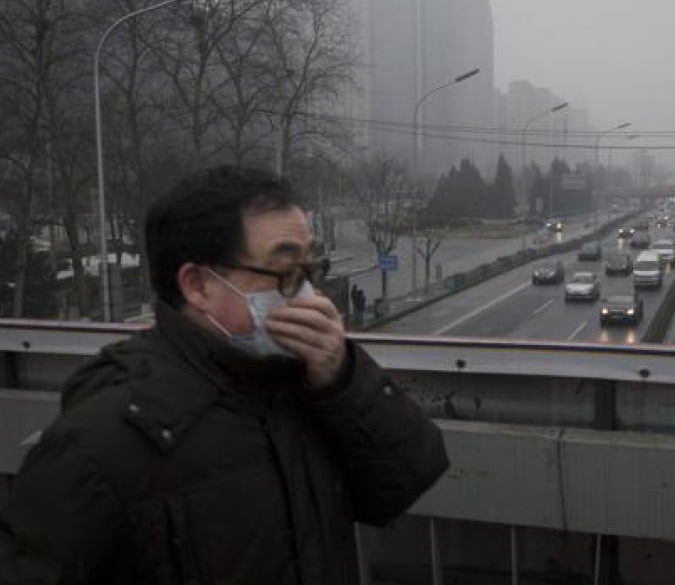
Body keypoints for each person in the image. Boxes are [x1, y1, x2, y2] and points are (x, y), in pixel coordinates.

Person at [0, 166, 449, 583]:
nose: (309, 293)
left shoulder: (305, 386)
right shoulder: (99, 441)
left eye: (310, 268)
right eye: (284, 270)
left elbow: (406, 479)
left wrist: (343, 377)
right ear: (198, 285)